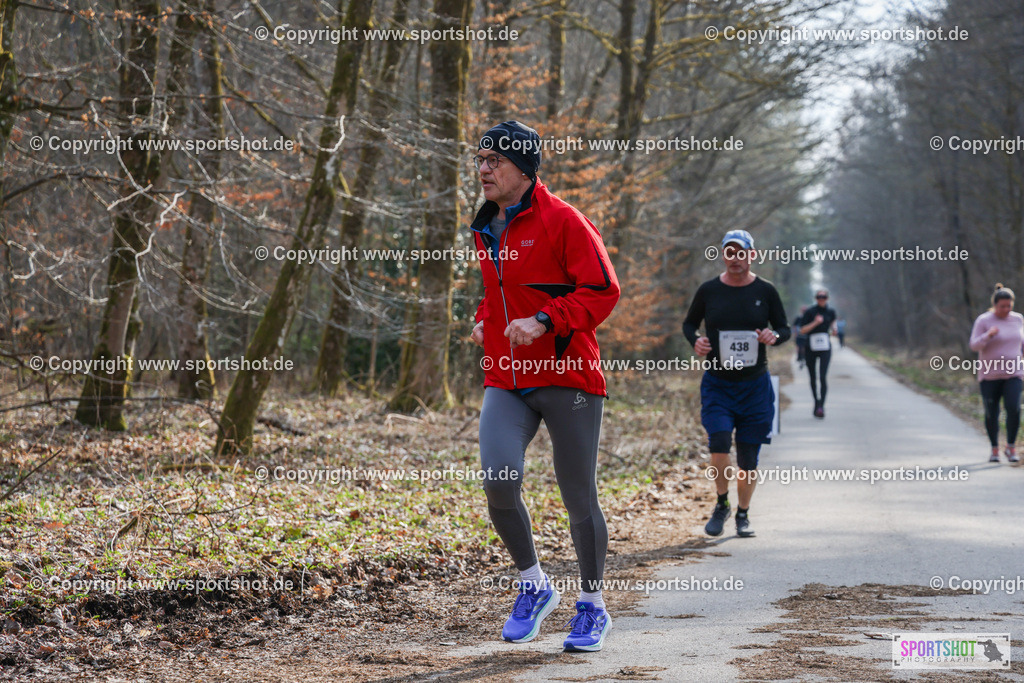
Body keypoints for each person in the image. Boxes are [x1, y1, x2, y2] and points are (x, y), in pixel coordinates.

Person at [469, 121, 620, 652]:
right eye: (480, 159)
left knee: (578, 493)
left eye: (495, 160)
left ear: (525, 168)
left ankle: (593, 606)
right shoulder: (485, 225)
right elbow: (500, 291)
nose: (483, 169)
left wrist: (545, 320)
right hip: (507, 377)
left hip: (566, 376)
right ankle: (534, 584)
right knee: (498, 479)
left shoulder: (565, 221)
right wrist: (485, 319)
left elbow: (602, 291)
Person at [683, 230, 790, 538]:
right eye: (729, 253)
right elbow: (689, 324)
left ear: (751, 255)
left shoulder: (766, 291)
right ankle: (722, 504)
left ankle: (743, 513)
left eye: (741, 253)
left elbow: (784, 328)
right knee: (718, 443)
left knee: (748, 459)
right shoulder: (709, 290)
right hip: (718, 384)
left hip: (755, 387)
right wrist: (696, 340)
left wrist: (774, 336)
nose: (735, 258)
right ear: (723, 256)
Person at [969, 283, 1024, 463]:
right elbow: (974, 345)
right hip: (989, 376)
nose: (1006, 309)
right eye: (1002, 306)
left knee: (1014, 408)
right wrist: (988, 336)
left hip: (1014, 373)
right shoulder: (984, 321)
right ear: (994, 305)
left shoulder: (1018, 319)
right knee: (991, 413)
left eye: (1009, 306)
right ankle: (994, 449)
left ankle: (1010, 447)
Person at [796, 290, 837, 418]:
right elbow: (802, 330)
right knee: (813, 377)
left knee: (823, 377)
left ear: (827, 298)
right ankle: (816, 402)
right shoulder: (810, 312)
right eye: (819, 297)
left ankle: (821, 406)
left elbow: (833, 323)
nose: (821, 299)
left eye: (824, 297)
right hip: (810, 347)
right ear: (816, 298)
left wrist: (834, 329)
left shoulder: (831, 312)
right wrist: (816, 322)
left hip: (825, 348)